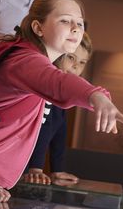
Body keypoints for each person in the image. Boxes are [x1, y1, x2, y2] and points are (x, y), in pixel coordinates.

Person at [0, 0, 123, 205]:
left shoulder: (26, 57)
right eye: (65, 21)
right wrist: (95, 95)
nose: (76, 28)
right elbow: (59, 82)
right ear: (38, 27)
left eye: (79, 23)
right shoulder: (27, 61)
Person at [23, 32, 93, 185]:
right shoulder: (44, 83)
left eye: (82, 62)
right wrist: (36, 167)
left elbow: (59, 129)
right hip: (19, 163)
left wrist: (58, 169)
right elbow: (42, 127)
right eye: (71, 57)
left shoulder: (62, 93)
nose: (76, 66)